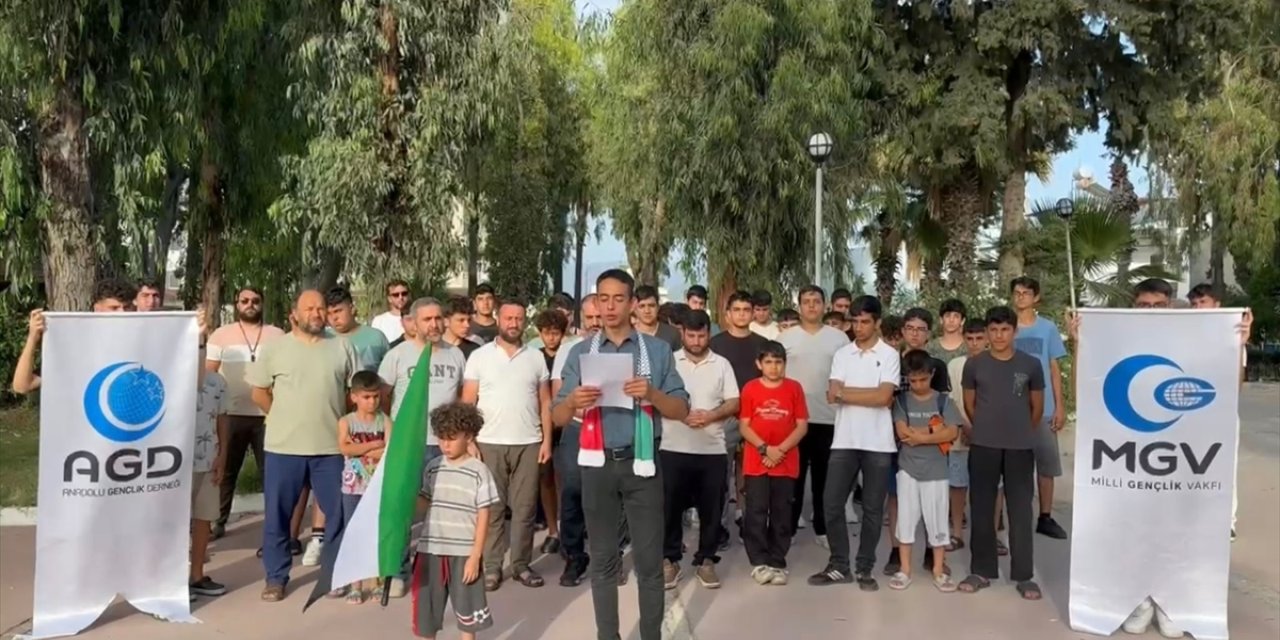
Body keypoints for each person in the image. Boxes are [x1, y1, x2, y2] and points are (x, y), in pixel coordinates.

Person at [552, 269, 689, 640]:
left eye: (618, 299)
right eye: (603, 298)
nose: (610, 306)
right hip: (597, 466)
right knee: (603, 561)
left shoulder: (657, 352)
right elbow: (557, 414)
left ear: (632, 303)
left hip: (642, 464)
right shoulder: (581, 353)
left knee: (648, 563)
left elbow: (681, 409)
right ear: (595, 302)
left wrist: (654, 395)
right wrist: (574, 402)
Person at [247, 289, 359, 602]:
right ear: (294, 314)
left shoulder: (341, 347)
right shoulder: (276, 349)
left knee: (339, 514)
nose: (317, 313)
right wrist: (283, 415)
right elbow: (259, 393)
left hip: (330, 449)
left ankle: (335, 573)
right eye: (309, 308)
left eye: (321, 308)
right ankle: (276, 577)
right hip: (284, 448)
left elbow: (354, 393)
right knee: (277, 517)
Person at [462, 297, 552, 590]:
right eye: (509, 318)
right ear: (499, 320)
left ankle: (521, 565)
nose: (514, 323)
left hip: (528, 442)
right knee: (494, 509)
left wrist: (547, 440)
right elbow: (468, 402)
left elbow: (545, 402)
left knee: (525, 510)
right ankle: (492, 567)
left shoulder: (535, 357)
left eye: (519, 318)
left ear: (524, 321)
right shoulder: (479, 357)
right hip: (489, 443)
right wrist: (469, 441)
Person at [810, 295, 897, 590]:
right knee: (831, 503)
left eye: (864, 322)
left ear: (877, 323)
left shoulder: (889, 355)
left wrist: (848, 394)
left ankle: (865, 567)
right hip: (844, 440)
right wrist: (866, 395)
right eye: (855, 321)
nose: (858, 327)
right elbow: (832, 393)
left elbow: (884, 397)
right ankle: (839, 565)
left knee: (872, 509)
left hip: (879, 444)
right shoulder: (842, 354)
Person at [958, 305, 1045, 601]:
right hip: (983, 445)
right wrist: (986, 427)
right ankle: (981, 570)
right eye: (993, 330)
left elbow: (1037, 408)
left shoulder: (1031, 364)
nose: (998, 335)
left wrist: (1019, 430)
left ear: (1014, 331)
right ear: (987, 332)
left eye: (1004, 329)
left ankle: (1024, 575)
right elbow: (970, 405)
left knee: (1020, 510)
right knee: (981, 508)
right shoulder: (975, 365)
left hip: (1020, 446)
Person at [662, 310, 739, 590]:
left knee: (712, 509)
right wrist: (681, 414)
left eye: (702, 335)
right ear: (682, 333)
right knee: (669, 509)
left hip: (712, 450)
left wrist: (712, 415)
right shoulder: (668, 362)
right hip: (672, 447)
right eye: (691, 335)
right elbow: (656, 398)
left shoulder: (722, 365)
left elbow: (733, 402)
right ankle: (669, 560)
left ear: (709, 333)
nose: (696, 341)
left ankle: (706, 560)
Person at [413, 402, 499, 640]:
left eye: (452, 438)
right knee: (426, 618)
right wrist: (409, 497)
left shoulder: (478, 471)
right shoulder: (432, 468)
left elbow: (484, 514)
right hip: (430, 550)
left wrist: (475, 556)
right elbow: (424, 504)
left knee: (467, 619)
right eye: (441, 438)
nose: (445, 445)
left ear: (468, 435)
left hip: (463, 554)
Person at [206, 286, 286, 539]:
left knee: (271, 472)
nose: (250, 304)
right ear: (236, 304)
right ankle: (217, 521)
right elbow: (209, 372)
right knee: (226, 470)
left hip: (267, 414)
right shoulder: (221, 334)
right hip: (230, 413)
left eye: (255, 300)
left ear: (262, 303)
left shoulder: (277, 334)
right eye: (245, 301)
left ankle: (274, 524)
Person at [778, 285, 849, 548]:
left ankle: (822, 527)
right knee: (792, 479)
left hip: (828, 418)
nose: (811, 306)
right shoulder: (785, 338)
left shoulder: (838, 338)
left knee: (824, 479)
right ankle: (788, 530)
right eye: (806, 301)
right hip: (793, 420)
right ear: (799, 306)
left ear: (825, 306)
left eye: (816, 301)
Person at [885, 307, 952, 576]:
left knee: (932, 499)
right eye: (910, 328)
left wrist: (925, 436)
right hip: (892, 439)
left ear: (929, 333)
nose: (915, 334)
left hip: (931, 444)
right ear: (902, 332)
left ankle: (931, 552)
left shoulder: (937, 366)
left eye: (921, 329)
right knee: (897, 496)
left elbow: (942, 408)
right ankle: (896, 551)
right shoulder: (890, 361)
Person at [889, 350, 961, 592]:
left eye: (923, 379)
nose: (918, 385)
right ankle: (905, 569)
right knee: (906, 520)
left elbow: (952, 432)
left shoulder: (944, 401)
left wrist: (919, 436)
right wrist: (933, 434)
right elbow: (901, 431)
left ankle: (939, 570)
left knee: (938, 520)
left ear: (932, 374)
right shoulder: (901, 401)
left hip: (937, 471)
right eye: (913, 380)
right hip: (908, 470)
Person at [739, 341, 808, 586]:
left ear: (785, 364)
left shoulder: (794, 388)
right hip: (757, 461)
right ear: (759, 364)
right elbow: (744, 425)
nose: (774, 367)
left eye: (778, 362)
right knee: (756, 511)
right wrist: (764, 448)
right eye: (768, 362)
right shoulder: (750, 389)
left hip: (785, 461)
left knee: (782, 512)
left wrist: (780, 450)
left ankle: (778, 560)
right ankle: (759, 561)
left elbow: (801, 425)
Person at [1008, 276, 1069, 540]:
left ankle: (1045, 516)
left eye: (1026, 293)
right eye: (1017, 292)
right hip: (1012, 408)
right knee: (1015, 467)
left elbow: (1054, 368)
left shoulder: (1048, 328)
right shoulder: (1006, 328)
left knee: (1046, 466)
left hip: (1044, 408)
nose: (1021, 296)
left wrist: (1060, 406)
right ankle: (1016, 515)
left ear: (1036, 298)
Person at [1187, 283, 1248, 541]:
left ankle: (1227, 521)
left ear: (1217, 305)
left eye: (1204, 302)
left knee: (1223, 467)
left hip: (1220, 414)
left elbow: (1237, 384)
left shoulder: (1232, 337)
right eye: (1195, 304)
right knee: (1188, 467)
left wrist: (1239, 344)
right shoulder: (1183, 336)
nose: (1199, 308)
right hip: (1188, 415)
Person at [549, 293, 601, 587]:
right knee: (571, 495)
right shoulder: (571, 351)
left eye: (599, 317)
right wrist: (575, 405)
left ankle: (610, 557)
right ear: (580, 318)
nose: (595, 323)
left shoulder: (622, 350)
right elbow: (560, 398)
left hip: (612, 430)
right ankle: (574, 557)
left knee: (609, 497)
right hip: (578, 431)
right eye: (589, 317)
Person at [709, 291, 769, 541]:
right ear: (728, 313)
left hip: (755, 418)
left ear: (753, 312)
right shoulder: (716, 344)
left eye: (747, 309)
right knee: (720, 475)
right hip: (725, 417)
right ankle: (719, 526)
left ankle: (747, 521)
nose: (742, 314)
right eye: (738, 309)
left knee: (750, 476)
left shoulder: (762, 343)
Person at [379, 297, 468, 464]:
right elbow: (383, 398)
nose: (434, 325)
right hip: (408, 442)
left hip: (445, 442)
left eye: (438, 318)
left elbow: (461, 396)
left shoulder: (456, 354)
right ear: (414, 324)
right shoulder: (397, 355)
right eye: (427, 319)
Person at [11, 278, 137, 395]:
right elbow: (22, 386)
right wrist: (33, 338)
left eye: (126, 308)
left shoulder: (144, 341)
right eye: (114, 308)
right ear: (97, 309)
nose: (122, 313)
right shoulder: (76, 343)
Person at [335, 370, 390, 603]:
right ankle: (355, 584)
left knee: (375, 534)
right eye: (366, 397)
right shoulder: (346, 421)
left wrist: (364, 447)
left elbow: (388, 450)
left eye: (376, 396)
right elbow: (344, 449)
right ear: (354, 397)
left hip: (376, 485)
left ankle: (376, 581)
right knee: (353, 533)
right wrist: (373, 445)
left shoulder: (385, 421)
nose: (372, 402)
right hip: (353, 487)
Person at [943, 319, 988, 551]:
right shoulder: (955, 365)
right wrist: (965, 426)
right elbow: (951, 400)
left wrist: (979, 428)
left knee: (990, 487)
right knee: (958, 485)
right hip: (960, 435)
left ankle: (990, 536)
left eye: (979, 338)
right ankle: (957, 533)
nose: (974, 343)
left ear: (987, 339)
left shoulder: (996, 364)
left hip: (990, 436)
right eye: (969, 339)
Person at [190, 346, 230, 600]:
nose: (198, 351)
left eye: (201, 346)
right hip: (174, 464)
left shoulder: (217, 382)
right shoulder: (168, 377)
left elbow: (222, 419)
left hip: (208, 459)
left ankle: (196, 575)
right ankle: (169, 581)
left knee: (204, 519)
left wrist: (222, 454)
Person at [533, 309, 570, 554]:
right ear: (540, 333)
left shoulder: (570, 355)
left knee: (565, 480)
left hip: (564, 425)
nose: (551, 338)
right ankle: (552, 530)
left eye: (556, 333)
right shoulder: (534, 357)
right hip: (540, 425)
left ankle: (569, 528)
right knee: (545, 479)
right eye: (547, 333)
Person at [326, 285, 391, 373]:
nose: (334, 318)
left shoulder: (376, 337)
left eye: (338, 311)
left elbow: (390, 373)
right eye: (329, 313)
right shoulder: (323, 339)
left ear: (352, 309)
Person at [632, 285, 682, 350]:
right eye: (642, 306)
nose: (647, 311)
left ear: (658, 307)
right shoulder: (627, 334)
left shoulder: (672, 333)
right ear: (635, 309)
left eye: (651, 306)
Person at [444, 296, 481, 360]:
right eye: (461, 320)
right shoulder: (433, 348)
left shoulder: (475, 351)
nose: (467, 325)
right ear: (446, 321)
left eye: (469, 320)